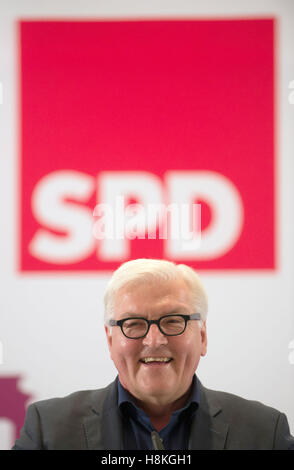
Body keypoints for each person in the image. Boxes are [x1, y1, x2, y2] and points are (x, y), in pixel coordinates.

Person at [13, 259, 294, 450]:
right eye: (133, 323)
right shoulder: (47, 430)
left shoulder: (265, 432)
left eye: (173, 320)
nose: (154, 340)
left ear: (203, 336)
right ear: (110, 340)